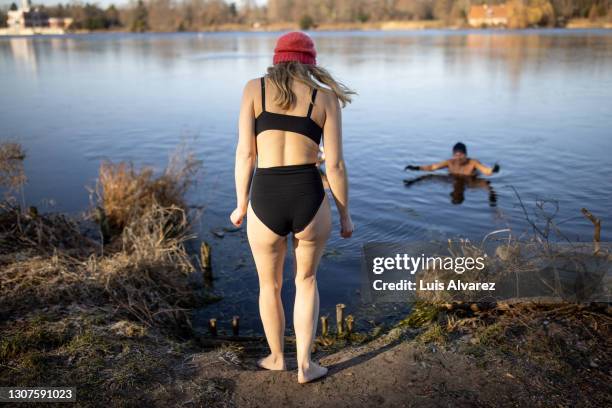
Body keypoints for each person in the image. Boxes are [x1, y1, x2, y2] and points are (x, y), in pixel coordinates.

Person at [229, 31, 355, 384]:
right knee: (307, 280)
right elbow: (336, 166)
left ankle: (275, 358)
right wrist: (345, 214)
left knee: (268, 286)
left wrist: (240, 204)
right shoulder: (325, 98)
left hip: (266, 195)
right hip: (309, 196)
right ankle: (305, 365)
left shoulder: (255, 89)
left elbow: (245, 154)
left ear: (278, 58)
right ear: (310, 62)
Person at [405, 142, 500, 176]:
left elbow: (486, 171)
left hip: (471, 180)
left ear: (466, 154)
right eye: (456, 155)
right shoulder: (449, 162)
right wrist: (416, 168)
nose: (458, 158)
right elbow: (432, 167)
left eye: (461, 155)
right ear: (453, 155)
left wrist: (493, 170)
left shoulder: (473, 163)